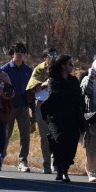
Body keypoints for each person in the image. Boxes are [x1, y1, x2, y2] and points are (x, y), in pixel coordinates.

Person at [40, 54, 84, 181]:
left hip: (72, 117)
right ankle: (59, 168)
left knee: (71, 144)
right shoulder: (53, 80)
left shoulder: (74, 80)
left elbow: (78, 97)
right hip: (56, 117)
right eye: (70, 63)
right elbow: (54, 95)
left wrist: (69, 97)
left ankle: (65, 169)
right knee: (59, 140)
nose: (72, 66)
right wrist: (69, 96)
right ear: (63, 65)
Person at [2, 42, 35, 172]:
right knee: (6, 134)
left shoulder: (28, 71)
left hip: (24, 107)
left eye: (22, 50)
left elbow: (31, 90)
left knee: (25, 135)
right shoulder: (5, 69)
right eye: (16, 50)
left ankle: (23, 161)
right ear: (12, 53)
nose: (19, 53)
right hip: (9, 107)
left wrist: (32, 108)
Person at [26, 46, 59, 175]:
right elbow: (30, 88)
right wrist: (44, 84)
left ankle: (55, 161)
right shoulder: (38, 70)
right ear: (45, 58)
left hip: (56, 105)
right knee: (45, 136)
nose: (53, 58)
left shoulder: (60, 70)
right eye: (50, 56)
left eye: (55, 55)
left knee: (57, 135)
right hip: (42, 105)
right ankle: (46, 164)